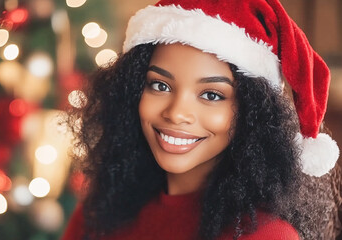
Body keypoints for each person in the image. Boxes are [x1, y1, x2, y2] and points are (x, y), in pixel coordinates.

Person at [62, 0, 340, 239]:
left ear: (254, 114)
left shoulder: (267, 235)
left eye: (211, 95)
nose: (176, 113)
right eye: (160, 85)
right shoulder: (99, 211)